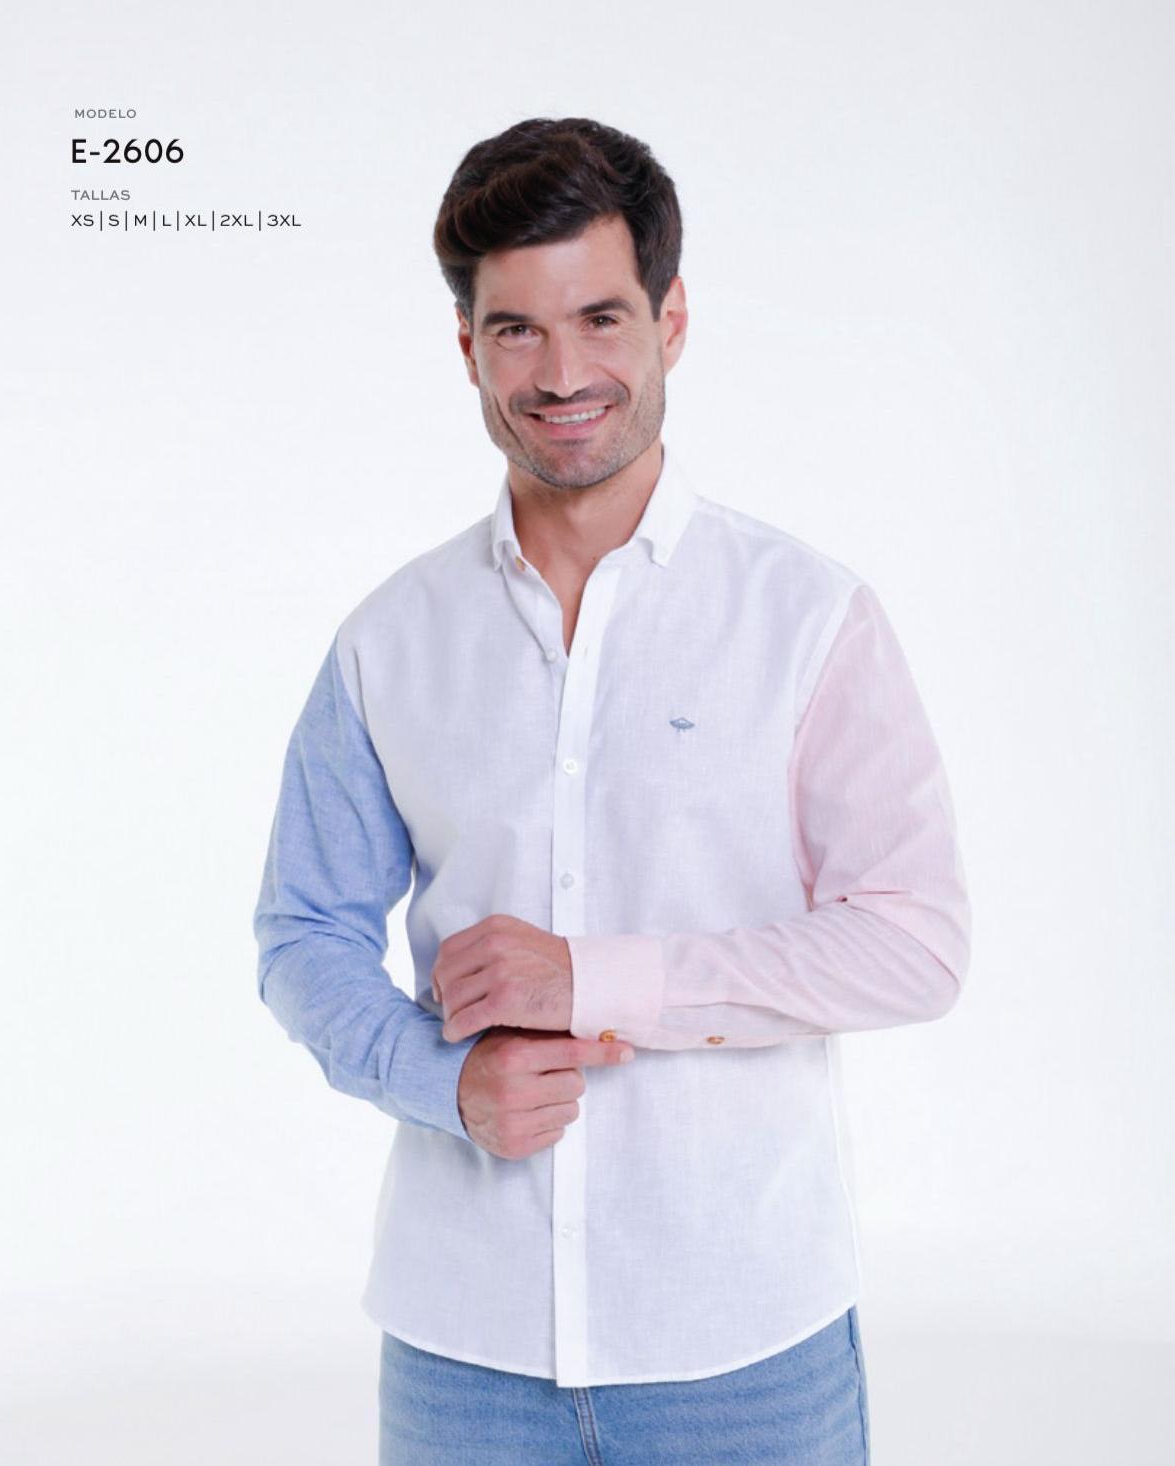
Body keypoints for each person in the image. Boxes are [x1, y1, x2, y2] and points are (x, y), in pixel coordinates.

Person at [252, 115, 971, 1465]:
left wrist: (595, 979)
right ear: (466, 345)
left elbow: (914, 943)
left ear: (670, 319)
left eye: (600, 317)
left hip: (744, 1346)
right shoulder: (389, 641)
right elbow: (302, 932)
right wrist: (437, 1078)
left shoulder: (809, 619)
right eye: (516, 329)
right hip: (463, 1352)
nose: (563, 372)